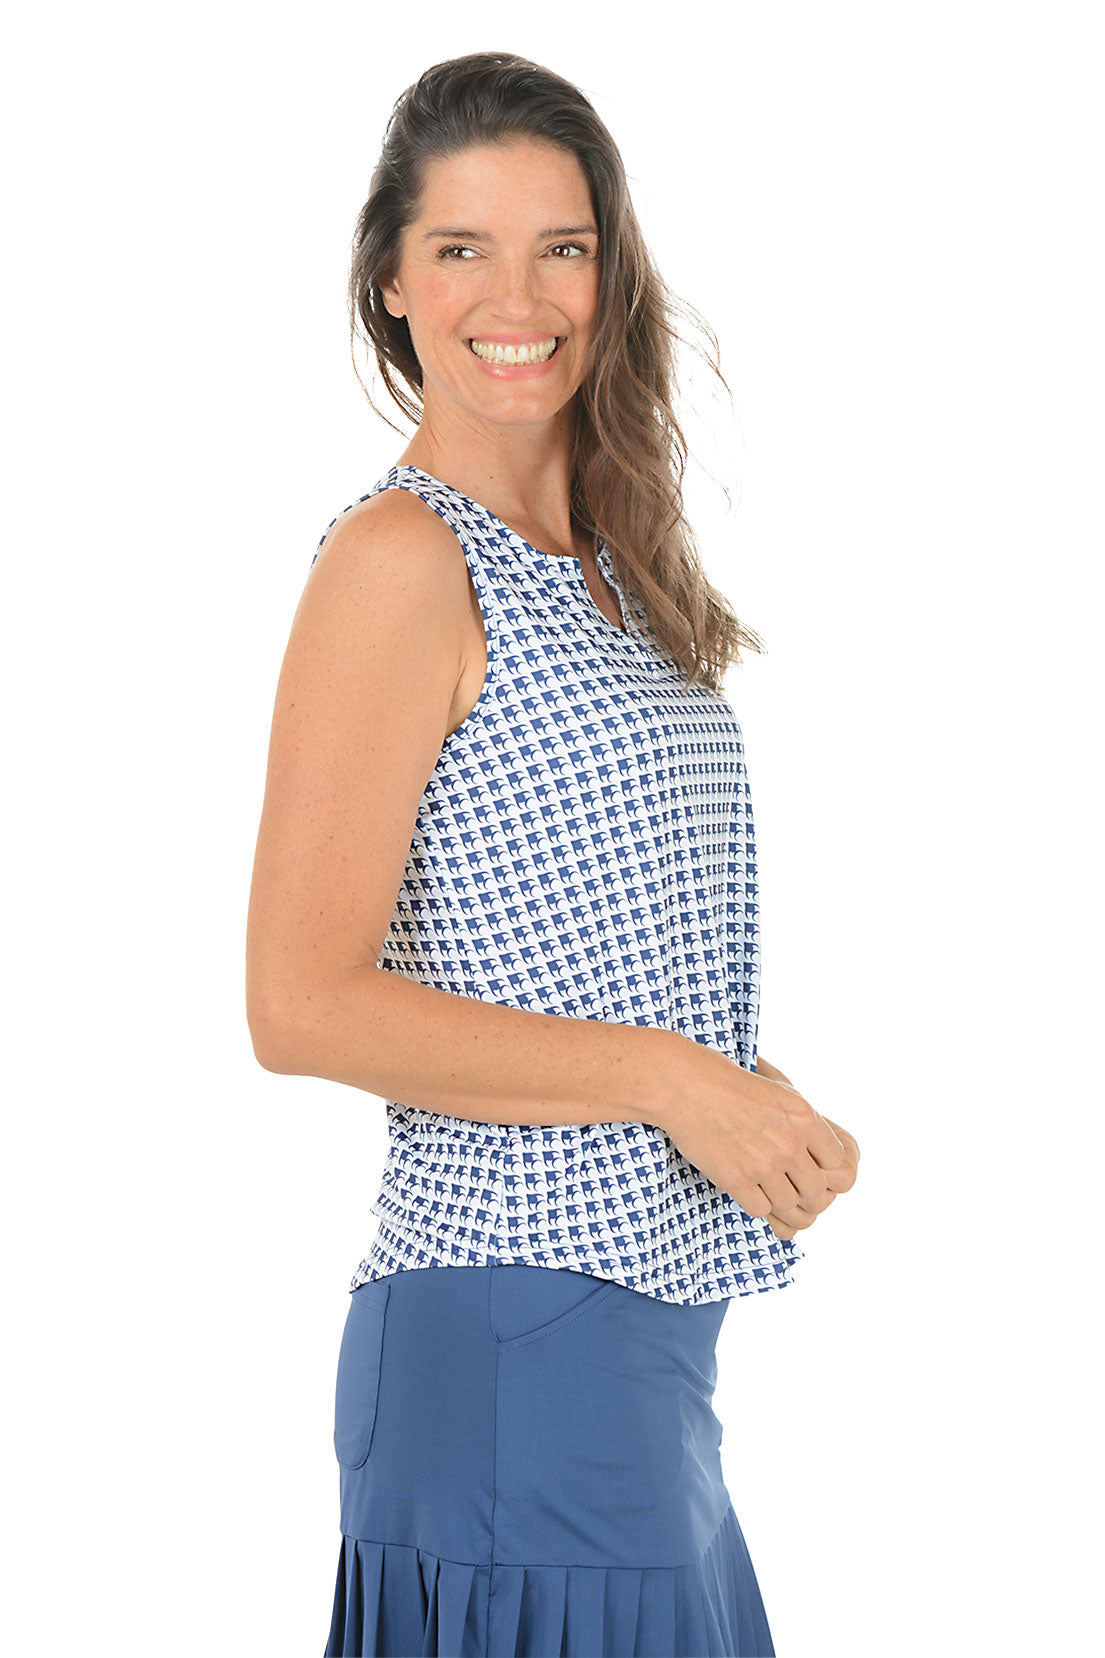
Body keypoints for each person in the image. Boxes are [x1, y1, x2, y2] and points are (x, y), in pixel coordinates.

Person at [245, 50, 860, 1658]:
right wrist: (670, 1077)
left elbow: (585, 956)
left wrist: (743, 1095)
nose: (515, 299)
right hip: (509, 1339)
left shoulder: (614, 572)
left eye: (560, 248)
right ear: (391, 281)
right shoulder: (402, 558)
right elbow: (298, 1003)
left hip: (642, 1349)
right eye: (461, 247)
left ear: (609, 272)